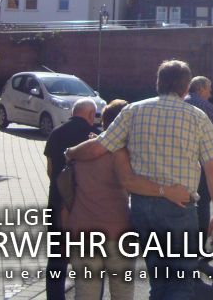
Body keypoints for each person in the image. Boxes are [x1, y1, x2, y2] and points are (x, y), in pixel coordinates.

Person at [65, 60, 213, 300]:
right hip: (179, 207)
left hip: (142, 208)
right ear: (185, 89)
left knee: (158, 279)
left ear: (158, 83)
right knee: (181, 281)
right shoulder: (198, 117)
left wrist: (71, 152)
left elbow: (99, 147)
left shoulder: (134, 110)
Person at [66, 100, 192, 300]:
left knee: (85, 293)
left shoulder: (83, 151)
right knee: (122, 293)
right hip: (118, 233)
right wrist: (166, 191)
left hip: (83, 231)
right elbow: (133, 182)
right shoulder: (124, 155)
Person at [44, 99, 100, 300]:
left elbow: (50, 170)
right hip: (85, 206)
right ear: (91, 114)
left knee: (57, 257)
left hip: (57, 203)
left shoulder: (56, 133)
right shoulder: (94, 137)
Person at [184, 76, 213, 257]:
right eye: (209, 88)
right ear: (200, 89)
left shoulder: (180, 101)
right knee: (202, 202)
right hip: (200, 163)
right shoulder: (205, 106)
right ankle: (201, 245)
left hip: (178, 162)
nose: (211, 92)